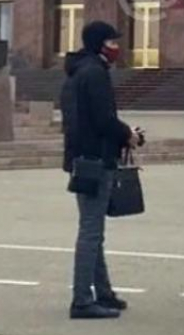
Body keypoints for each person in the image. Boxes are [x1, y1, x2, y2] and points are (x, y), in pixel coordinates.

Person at [60, 20, 140, 319]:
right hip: (94, 159)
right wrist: (128, 134)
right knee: (91, 232)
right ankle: (82, 300)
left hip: (82, 159)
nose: (117, 47)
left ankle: (102, 292)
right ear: (100, 44)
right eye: (112, 42)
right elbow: (103, 120)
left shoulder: (79, 72)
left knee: (94, 229)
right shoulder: (95, 74)